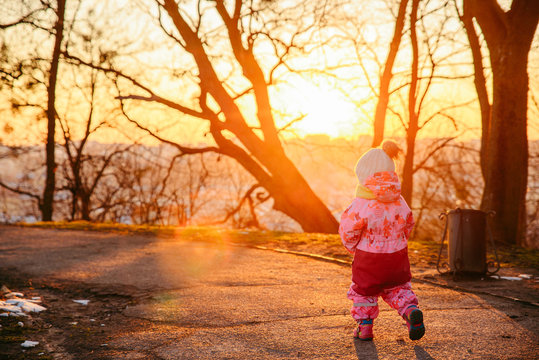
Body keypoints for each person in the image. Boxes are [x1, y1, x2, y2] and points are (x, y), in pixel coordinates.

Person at [339, 140, 425, 341]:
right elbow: (408, 222)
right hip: (397, 256)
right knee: (398, 288)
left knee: (364, 291)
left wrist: (353, 247)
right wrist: (399, 241)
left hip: (369, 258)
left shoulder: (362, 202)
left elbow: (348, 229)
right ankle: (410, 311)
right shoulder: (399, 200)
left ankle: (365, 328)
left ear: (364, 176)